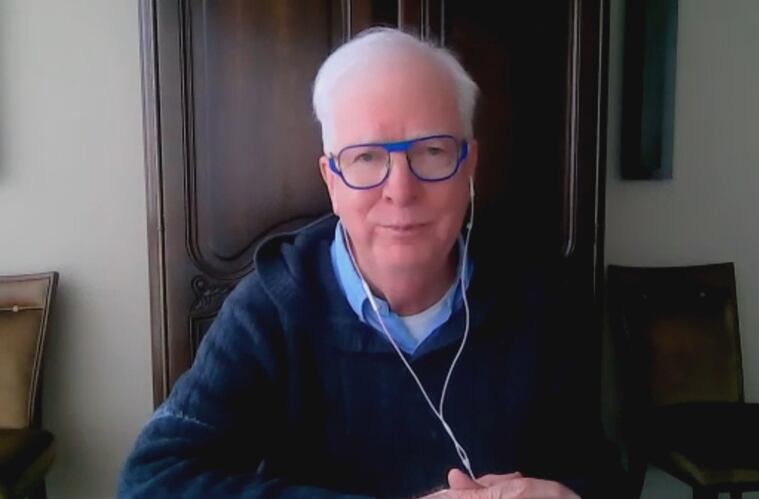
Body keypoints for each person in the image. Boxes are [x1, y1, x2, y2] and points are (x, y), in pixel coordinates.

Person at [118, 27, 624, 498]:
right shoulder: (270, 310)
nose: (400, 190)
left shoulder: (540, 298)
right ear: (331, 180)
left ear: (469, 163)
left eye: (430, 151)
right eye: (365, 158)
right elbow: (151, 481)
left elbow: (597, 473)